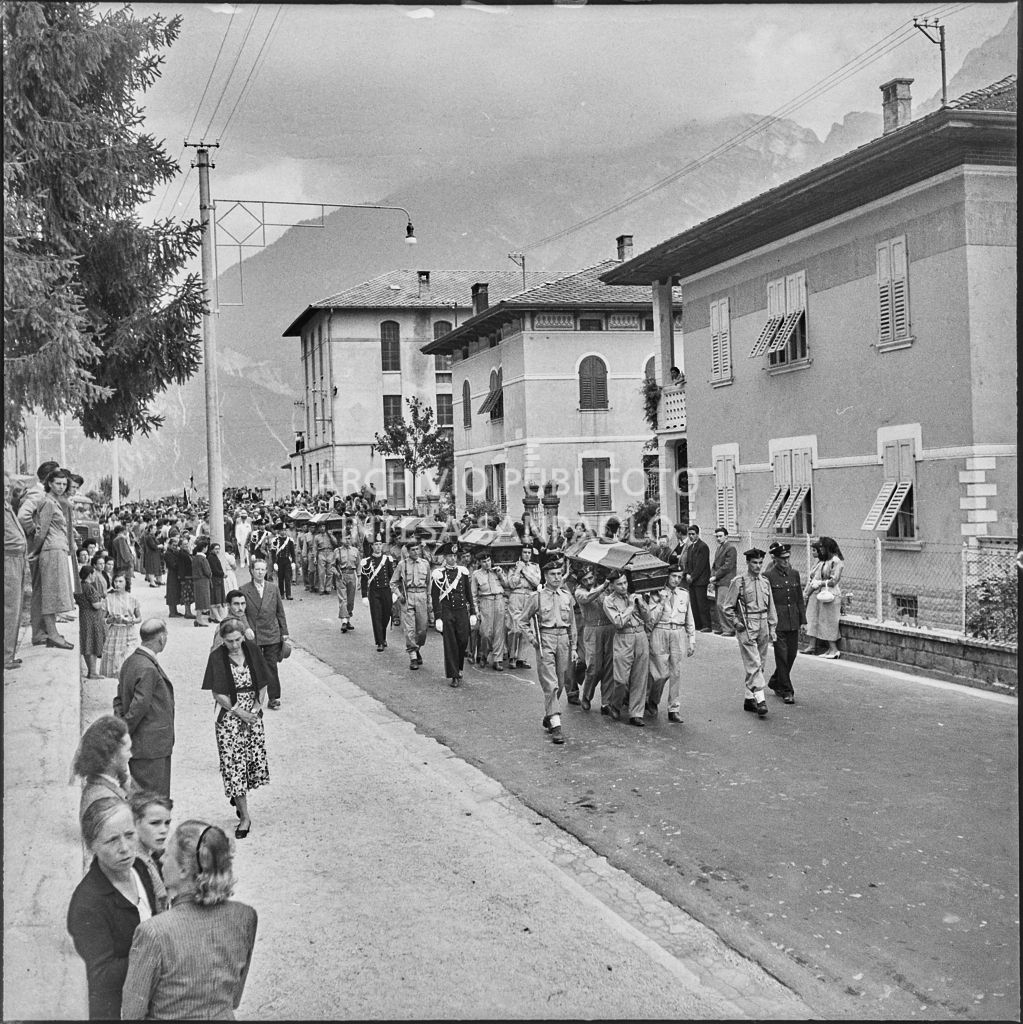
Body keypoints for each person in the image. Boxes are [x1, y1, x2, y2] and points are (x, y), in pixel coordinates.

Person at [120, 820, 258, 1020]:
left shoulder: (153, 932)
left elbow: (132, 1013)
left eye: (168, 853)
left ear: (184, 870)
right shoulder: (246, 916)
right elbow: (234, 999)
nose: (162, 859)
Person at [67, 796, 159, 1020]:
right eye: (111, 840)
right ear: (92, 846)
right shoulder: (88, 903)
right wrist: (156, 956)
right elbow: (102, 975)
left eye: (129, 835)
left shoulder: (139, 868)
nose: (125, 848)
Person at [202, 618, 272, 840]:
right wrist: (239, 712)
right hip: (229, 715)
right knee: (234, 765)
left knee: (250, 761)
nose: (234, 645)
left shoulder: (252, 650)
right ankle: (245, 817)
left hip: (252, 714)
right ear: (222, 639)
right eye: (229, 641)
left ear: (243, 637)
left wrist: (256, 709)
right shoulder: (217, 657)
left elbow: (263, 683)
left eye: (237, 640)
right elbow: (217, 693)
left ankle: (238, 796)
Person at [516, 557, 577, 746]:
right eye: (553, 574)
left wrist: (574, 647)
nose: (557, 577)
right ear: (545, 576)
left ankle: (549, 715)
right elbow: (522, 620)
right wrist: (533, 639)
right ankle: (556, 726)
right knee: (551, 684)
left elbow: (572, 624)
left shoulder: (567, 596)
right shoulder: (537, 597)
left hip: (563, 640)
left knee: (561, 682)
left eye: (559, 574)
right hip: (546, 640)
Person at [113, 619, 175, 797]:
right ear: (161, 638)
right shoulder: (148, 668)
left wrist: (120, 726)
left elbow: (119, 699)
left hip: (140, 745)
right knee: (154, 797)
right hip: (151, 746)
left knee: (140, 794)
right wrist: (125, 731)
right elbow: (139, 707)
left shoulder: (130, 662)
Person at [722, 548, 778, 718]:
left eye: (760, 562)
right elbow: (727, 607)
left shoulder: (765, 582)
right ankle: (760, 700)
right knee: (754, 663)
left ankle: (749, 698)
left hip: (763, 624)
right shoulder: (739, 582)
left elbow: (771, 607)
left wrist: (772, 627)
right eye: (754, 562)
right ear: (747, 563)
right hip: (747, 625)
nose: (758, 566)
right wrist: (735, 622)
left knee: (760, 663)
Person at [24, 467, 75, 649]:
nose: (61, 487)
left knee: (53, 593)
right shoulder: (48, 503)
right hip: (51, 550)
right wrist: (34, 551)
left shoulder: (54, 502)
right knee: (50, 594)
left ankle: (52, 633)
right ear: (50, 484)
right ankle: (52, 634)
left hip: (57, 549)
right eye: (57, 483)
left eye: (64, 484)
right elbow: (41, 531)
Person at [15, 459, 60, 646]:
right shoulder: (38, 493)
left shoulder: (41, 493)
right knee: (40, 590)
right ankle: (39, 633)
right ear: (49, 478)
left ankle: (44, 630)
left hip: (41, 549)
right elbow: (23, 515)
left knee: (43, 589)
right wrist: (36, 533)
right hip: (38, 549)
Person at [601, 569, 653, 726]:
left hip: (640, 635)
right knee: (621, 679)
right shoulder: (609, 601)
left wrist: (641, 603)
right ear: (612, 586)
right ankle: (615, 704)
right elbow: (618, 622)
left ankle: (636, 713)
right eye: (619, 584)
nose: (624, 586)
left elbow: (648, 618)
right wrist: (630, 606)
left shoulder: (635, 596)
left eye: (625, 582)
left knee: (640, 676)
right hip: (623, 637)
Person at [645, 567, 696, 722]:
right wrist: (662, 600)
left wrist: (691, 640)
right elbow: (651, 619)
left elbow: (689, 618)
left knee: (676, 672)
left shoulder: (684, 594)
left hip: (677, 632)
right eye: (673, 576)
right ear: (667, 576)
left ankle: (674, 708)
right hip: (660, 631)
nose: (676, 580)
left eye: (679, 577)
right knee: (659, 674)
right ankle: (652, 699)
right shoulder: (655, 593)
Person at [239, 559, 290, 711]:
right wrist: (246, 628)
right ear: (251, 571)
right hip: (254, 634)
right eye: (257, 569)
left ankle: (274, 698)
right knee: (254, 666)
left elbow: (280, 611)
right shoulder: (244, 589)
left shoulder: (273, 588)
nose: (260, 572)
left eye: (263, 569)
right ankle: (254, 698)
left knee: (271, 666)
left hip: (271, 633)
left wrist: (284, 631)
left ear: (266, 571)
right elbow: (241, 612)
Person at [764, 542, 806, 704]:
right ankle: (787, 690)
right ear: (775, 559)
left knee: (791, 655)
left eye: (788, 557)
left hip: (793, 619)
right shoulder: (768, 576)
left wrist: (803, 621)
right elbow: (767, 602)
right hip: (777, 621)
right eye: (782, 558)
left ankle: (776, 680)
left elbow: (799, 598)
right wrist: (769, 622)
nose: (786, 561)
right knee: (781, 655)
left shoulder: (794, 574)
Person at [431, 542, 476, 687]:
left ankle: (459, 667)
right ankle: (454, 675)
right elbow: (435, 597)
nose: (453, 558)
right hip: (447, 611)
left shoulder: (463, 572)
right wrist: (438, 617)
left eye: (455, 556)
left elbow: (468, 594)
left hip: (461, 611)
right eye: (450, 556)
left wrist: (473, 612)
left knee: (463, 641)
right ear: (445, 557)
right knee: (451, 643)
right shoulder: (439, 574)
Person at [71, 714, 132, 821]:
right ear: (112, 757)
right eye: (127, 750)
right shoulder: (104, 801)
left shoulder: (115, 781)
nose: (130, 755)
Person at [574, 567, 614, 713]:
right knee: (594, 667)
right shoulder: (579, 592)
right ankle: (586, 696)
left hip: (609, 627)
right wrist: (604, 586)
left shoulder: (604, 588)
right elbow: (588, 597)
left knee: (609, 666)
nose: (589, 581)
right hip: (592, 629)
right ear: (580, 582)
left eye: (591, 578)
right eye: (585, 580)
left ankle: (606, 702)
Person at [390, 538, 431, 670]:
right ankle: (413, 656)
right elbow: (393, 583)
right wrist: (399, 595)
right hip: (408, 597)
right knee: (409, 629)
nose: (416, 552)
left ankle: (417, 648)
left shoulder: (425, 564)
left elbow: (429, 584)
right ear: (408, 551)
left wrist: (429, 601)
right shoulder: (402, 565)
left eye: (417, 549)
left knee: (422, 629)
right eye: (413, 550)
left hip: (422, 596)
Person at [130, 790, 173, 913]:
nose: (164, 830)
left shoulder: (152, 856)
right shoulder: (133, 864)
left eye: (167, 823)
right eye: (155, 823)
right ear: (134, 823)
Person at [804, 536, 844, 658]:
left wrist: (820, 583)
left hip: (832, 595)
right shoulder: (825, 561)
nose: (820, 550)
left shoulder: (836, 561)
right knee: (823, 621)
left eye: (822, 548)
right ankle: (830, 649)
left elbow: (834, 581)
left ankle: (834, 649)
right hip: (824, 594)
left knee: (830, 622)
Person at [5, 470, 29, 670]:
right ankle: (5, 657)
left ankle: (9, 654)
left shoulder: (7, 506)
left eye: (7, 486)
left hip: (16, 560)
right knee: (9, 608)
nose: (6, 490)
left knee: (15, 607)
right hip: (8, 560)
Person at [470, 550, 509, 670]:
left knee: (499, 632)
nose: (487, 563)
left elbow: (507, 585)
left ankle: (497, 660)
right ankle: (483, 655)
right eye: (484, 561)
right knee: (486, 633)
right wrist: (476, 611)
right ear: (479, 563)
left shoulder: (497, 571)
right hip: (486, 601)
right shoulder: (476, 574)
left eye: (488, 560)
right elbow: (473, 595)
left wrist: (500, 574)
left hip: (499, 600)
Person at [505, 543, 542, 669]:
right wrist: (518, 570)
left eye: (529, 553)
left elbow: (536, 582)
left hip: (529, 596)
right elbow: (511, 584)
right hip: (516, 595)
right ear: (520, 554)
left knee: (527, 627)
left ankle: (522, 658)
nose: (527, 555)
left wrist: (524, 571)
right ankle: (512, 656)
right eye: (524, 552)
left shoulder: (535, 567)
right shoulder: (513, 567)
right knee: (515, 628)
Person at [100, 570, 142, 678]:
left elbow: (139, 618)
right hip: (114, 633)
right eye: (115, 581)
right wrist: (111, 620)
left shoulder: (132, 599)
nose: (117, 584)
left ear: (126, 583)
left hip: (129, 633)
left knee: (128, 660)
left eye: (120, 581)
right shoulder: (109, 599)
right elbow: (102, 619)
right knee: (115, 664)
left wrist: (130, 621)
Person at [360, 536, 394, 652]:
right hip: (374, 592)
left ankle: (383, 637)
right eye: (376, 544)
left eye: (380, 544)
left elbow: (392, 576)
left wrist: (394, 592)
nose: (378, 547)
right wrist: (364, 596)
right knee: (376, 617)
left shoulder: (387, 559)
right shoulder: (367, 561)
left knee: (386, 616)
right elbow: (364, 580)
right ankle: (380, 641)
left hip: (386, 591)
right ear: (372, 546)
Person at [78, 563, 108, 679]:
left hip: (84, 615)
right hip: (93, 617)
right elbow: (95, 605)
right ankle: (93, 672)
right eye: (94, 573)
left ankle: (91, 671)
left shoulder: (80, 585)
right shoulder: (89, 587)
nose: (95, 576)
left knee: (87, 643)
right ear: (90, 574)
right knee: (94, 643)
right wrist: (104, 602)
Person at [682, 524, 712, 631]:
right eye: (689, 534)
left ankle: (706, 625)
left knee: (702, 604)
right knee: (694, 604)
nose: (691, 536)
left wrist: (692, 576)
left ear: (698, 534)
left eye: (693, 534)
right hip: (692, 580)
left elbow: (701, 565)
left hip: (700, 580)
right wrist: (686, 574)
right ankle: (697, 624)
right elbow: (687, 563)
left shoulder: (703, 547)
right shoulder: (690, 547)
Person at [710, 526, 738, 636]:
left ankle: (729, 629)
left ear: (726, 536)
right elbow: (715, 565)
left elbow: (728, 566)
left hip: (726, 580)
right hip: (719, 580)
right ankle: (723, 627)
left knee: (722, 605)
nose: (718, 538)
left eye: (720, 536)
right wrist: (713, 576)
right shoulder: (719, 548)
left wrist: (715, 576)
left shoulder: (730, 548)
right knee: (718, 605)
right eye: (717, 536)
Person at [333, 531, 362, 632]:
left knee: (350, 600)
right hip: (341, 575)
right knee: (343, 599)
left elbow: (358, 565)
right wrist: (337, 573)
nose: (348, 540)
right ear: (341, 540)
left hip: (352, 575)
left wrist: (359, 577)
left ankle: (348, 619)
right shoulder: (337, 551)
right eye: (345, 538)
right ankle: (344, 622)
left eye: (349, 538)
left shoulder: (355, 551)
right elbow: (332, 566)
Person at [190, 537, 213, 628]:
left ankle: (198, 618)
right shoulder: (203, 559)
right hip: (203, 581)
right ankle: (199, 619)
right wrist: (210, 574)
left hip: (197, 580)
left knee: (199, 599)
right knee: (202, 600)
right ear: (204, 548)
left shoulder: (195, 558)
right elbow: (208, 571)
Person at [111, 523, 137, 593]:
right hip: (123, 562)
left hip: (118, 561)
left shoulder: (116, 539)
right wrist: (129, 560)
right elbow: (124, 551)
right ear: (122, 531)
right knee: (126, 579)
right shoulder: (120, 539)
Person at [273, 524, 295, 600]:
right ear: (279, 531)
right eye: (282, 530)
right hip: (279, 561)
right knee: (280, 578)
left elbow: (292, 552)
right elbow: (273, 553)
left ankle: (288, 594)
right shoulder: (275, 540)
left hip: (287, 561)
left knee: (288, 578)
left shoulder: (290, 540)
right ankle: (281, 594)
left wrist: (293, 562)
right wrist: (274, 563)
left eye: (285, 530)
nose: (283, 532)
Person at [162, 536, 182, 618]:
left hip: (175, 574)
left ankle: (175, 610)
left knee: (175, 592)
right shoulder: (168, 553)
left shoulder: (174, 552)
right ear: (169, 545)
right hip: (172, 574)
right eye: (173, 545)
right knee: (172, 592)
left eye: (176, 545)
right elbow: (173, 565)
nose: (175, 547)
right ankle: (172, 612)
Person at [207, 541, 227, 621]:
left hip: (218, 579)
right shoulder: (211, 558)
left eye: (218, 549)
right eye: (216, 549)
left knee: (217, 598)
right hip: (215, 580)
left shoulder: (214, 557)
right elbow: (215, 570)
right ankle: (217, 617)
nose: (217, 550)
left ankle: (213, 617)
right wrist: (222, 574)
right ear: (211, 549)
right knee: (216, 599)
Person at [141, 523, 163, 587]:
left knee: (156, 567)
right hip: (151, 554)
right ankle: (152, 582)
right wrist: (159, 546)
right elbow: (153, 546)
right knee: (152, 568)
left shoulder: (152, 536)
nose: (155, 530)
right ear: (150, 529)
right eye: (154, 529)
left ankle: (158, 580)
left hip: (155, 554)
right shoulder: (149, 536)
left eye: (156, 529)